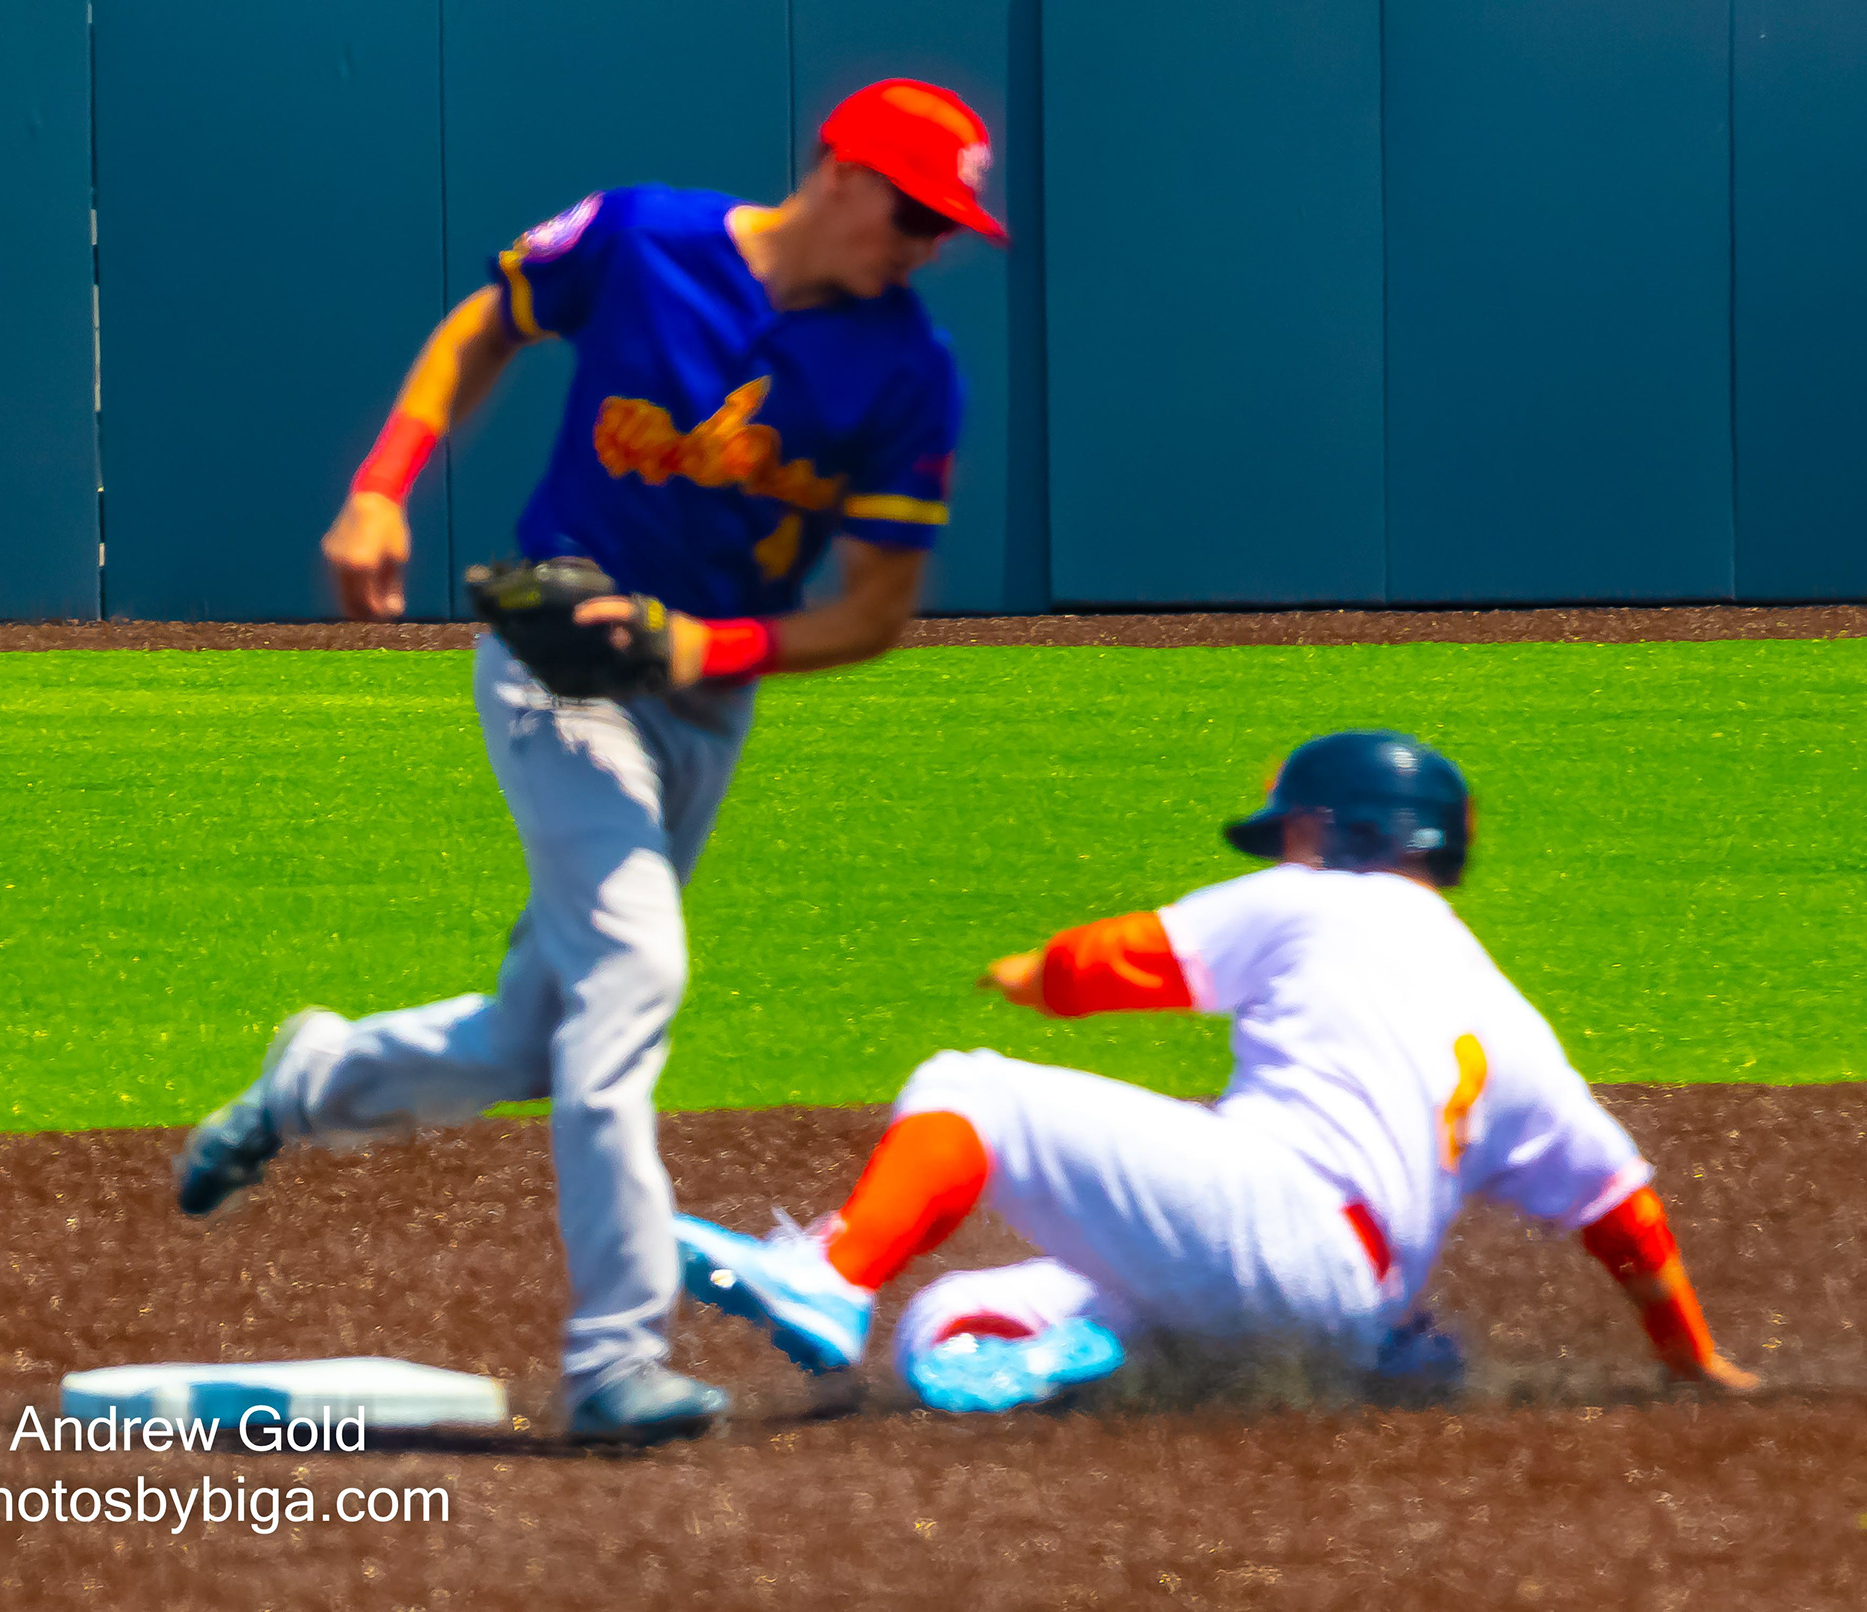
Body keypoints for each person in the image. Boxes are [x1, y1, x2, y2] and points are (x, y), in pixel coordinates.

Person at [173, 79, 1006, 1445]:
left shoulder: (910, 371)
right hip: (557, 673)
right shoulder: (641, 240)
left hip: (696, 700)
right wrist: (382, 485)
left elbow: (870, 613)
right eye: (917, 212)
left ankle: (305, 1084)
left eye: (949, 226)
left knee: (537, 1038)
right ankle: (616, 1356)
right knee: (635, 976)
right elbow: (485, 325)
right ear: (842, 172)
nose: (928, 245)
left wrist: (691, 646)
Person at [673, 731, 1760, 1413]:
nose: (1281, 851)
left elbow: (1106, 964)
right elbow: (1627, 1216)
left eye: (1289, 830)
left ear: (1336, 832)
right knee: (951, 1322)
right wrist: (1692, 1361)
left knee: (972, 1086)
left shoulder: (1321, 897)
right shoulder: (1513, 1023)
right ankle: (1114, 1352)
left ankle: (829, 1278)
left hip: (1275, 1221)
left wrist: (1025, 971)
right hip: (1351, 1310)